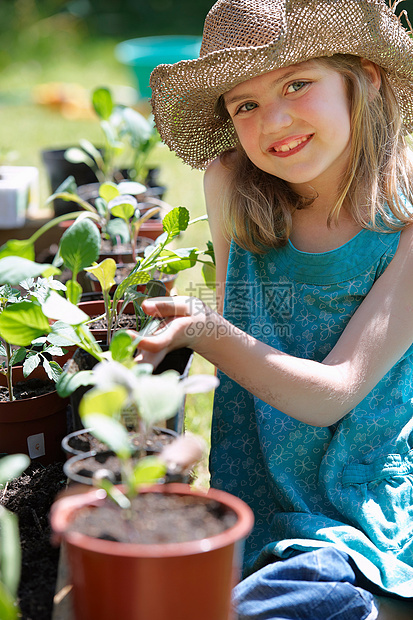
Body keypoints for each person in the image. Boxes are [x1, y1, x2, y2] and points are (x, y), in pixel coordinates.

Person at [138, 0, 413, 617]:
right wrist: (160, 316)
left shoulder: (403, 221)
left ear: (364, 76)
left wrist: (202, 329)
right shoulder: (234, 185)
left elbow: (333, 394)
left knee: (298, 593)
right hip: (251, 491)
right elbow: (242, 307)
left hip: (359, 508)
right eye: (246, 104)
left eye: (297, 83)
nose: (276, 119)